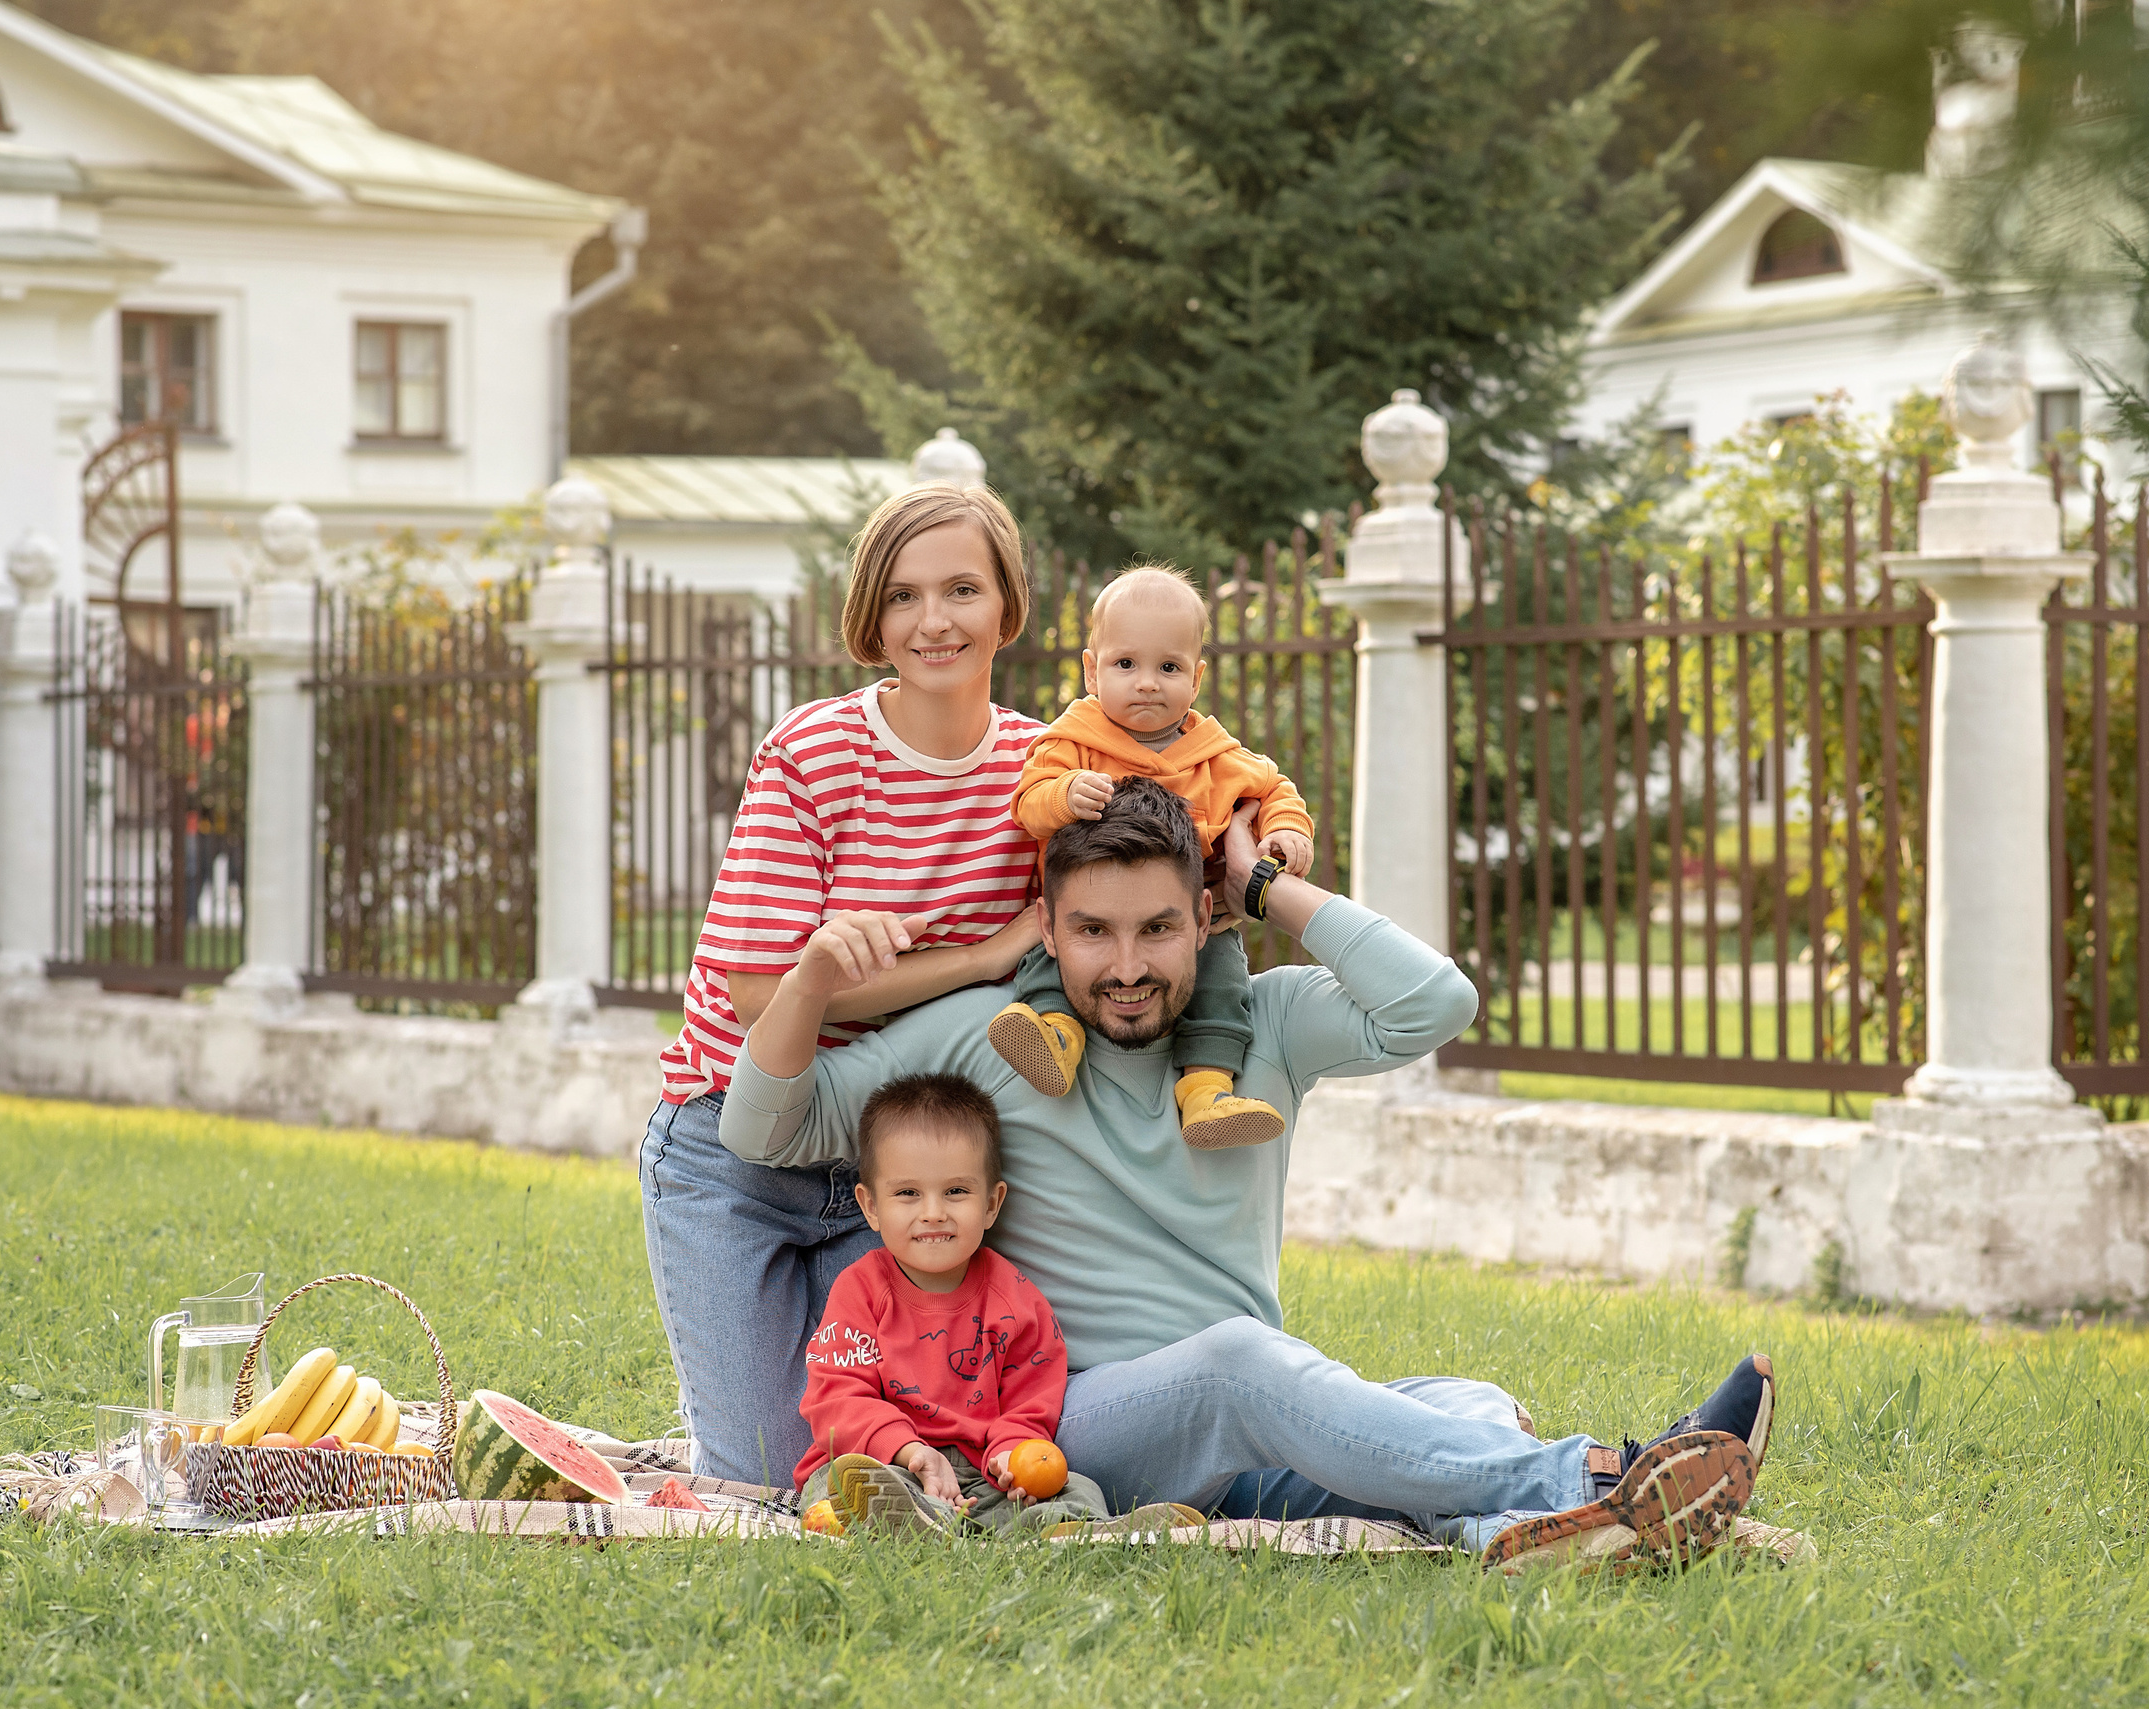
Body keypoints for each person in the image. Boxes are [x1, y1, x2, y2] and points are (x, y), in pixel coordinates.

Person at [719, 778, 1776, 1569]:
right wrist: (811, 977)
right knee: (1238, 1361)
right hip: (1064, 1421)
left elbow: (1436, 1004)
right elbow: (764, 1125)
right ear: (1048, 924)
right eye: (1091, 929)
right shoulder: (989, 1035)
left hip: (1244, 1425)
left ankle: (1552, 1533)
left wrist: (1266, 884)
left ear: (1204, 919)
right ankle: (1605, 1472)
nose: (1125, 963)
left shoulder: (1263, 1025)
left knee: (1465, 1397)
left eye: (1157, 927)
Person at [638, 482, 1049, 1486]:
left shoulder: (1043, 769)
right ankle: (720, 1428)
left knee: (877, 1466)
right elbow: (758, 989)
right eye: (903, 596)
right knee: (769, 1477)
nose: (933, 620)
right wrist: (978, 957)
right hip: (732, 1151)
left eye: (961, 588)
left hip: (898, 1169)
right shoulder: (816, 752)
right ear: (873, 616)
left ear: (1006, 604)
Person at [988, 566, 1313, 1150]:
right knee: (1051, 953)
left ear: (1197, 678)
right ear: (1092, 670)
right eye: (1125, 665)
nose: (1146, 683)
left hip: (1192, 923)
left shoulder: (1217, 756)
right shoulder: (1072, 742)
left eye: (1168, 667)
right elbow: (1027, 804)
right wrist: (1062, 796)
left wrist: (1287, 834)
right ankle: (1054, 1036)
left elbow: (1274, 791)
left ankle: (1206, 1091)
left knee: (1221, 982)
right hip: (1087, 912)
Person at [790, 1071, 1119, 1537]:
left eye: (956, 1191)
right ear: (871, 1207)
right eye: (907, 1193)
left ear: (991, 1203)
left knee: (1076, 1488)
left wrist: (1011, 1451)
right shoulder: (860, 1290)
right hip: (887, 1462)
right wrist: (909, 1451)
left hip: (979, 1474)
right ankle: (904, 1519)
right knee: (841, 1483)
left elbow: (1032, 1397)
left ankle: (1073, 1533)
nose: (933, 1212)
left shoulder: (1016, 1298)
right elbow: (837, 1397)